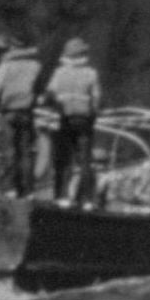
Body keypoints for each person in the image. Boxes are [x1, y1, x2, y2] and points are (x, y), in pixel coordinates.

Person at [44, 36, 102, 207]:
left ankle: (62, 197)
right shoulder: (91, 73)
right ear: (83, 55)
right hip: (84, 120)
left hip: (65, 118)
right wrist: (94, 114)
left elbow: (50, 94)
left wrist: (53, 105)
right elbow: (97, 98)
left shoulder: (59, 73)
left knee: (64, 159)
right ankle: (88, 200)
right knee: (85, 160)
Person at [0, 42, 44, 197]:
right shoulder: (36, 66)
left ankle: (6, 186)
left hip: (8, 111)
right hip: (26, 112)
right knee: (25, 151)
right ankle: (27, 190)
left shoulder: (6, 66)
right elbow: (40, 89)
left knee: (10, 148)